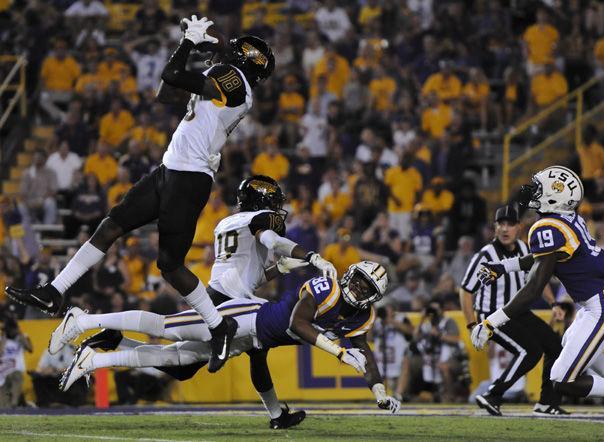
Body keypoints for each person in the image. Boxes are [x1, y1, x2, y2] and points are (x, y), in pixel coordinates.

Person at [7, 17, 277, 374]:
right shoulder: (223, 79)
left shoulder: (235, 81)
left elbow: (173, 76)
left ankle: (218, 325)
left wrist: (189, 46)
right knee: (111, 225)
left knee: (170, 266)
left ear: (243, 59)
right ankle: (55, 290)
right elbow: (165, 92)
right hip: (170, 168)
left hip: (191, 176)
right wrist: (192, 49)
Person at [50, 175, 335, 428]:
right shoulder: (259, 220)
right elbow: (272, 241)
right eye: (274, 201)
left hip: (228, 297)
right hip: (227, 304)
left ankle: (276, 415)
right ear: (263, 200)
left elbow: (247, 273)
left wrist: (278, 269)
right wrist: (309, 255)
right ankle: (87, 324)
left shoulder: (228, 222)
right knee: (170, 335)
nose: (277, 207)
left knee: (214, 360)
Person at [57, 261, 399, 424]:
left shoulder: (361, 317)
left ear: (374, 297)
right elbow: (299, 322)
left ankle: (95, 359)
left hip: (254, 338)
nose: (357, 290)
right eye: (358, 281)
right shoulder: (328, 288)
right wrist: (338, 351)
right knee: (167, 327)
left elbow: (365, 352)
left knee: (176, 362)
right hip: (241, 318)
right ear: (348, 275)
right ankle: (84, 320)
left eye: (367, 289)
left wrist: (379, 391)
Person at [472, 165, 604, 434]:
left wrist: (493, 321)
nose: (532, 193)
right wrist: (504, 267)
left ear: (554, 198)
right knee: (572, 348)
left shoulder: (548, 226)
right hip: (601, 300)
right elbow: (539, 259)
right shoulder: (564, 219)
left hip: (603, 303)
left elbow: (535, 286)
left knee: (562, 379)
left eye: (539, 189)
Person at [460, 205, 566, 416]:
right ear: (495, 227)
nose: (505, 229)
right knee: (530, 351)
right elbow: (465, 291)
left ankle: (547, 402)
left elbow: (539, 278)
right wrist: (473, 324)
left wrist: (553, 303)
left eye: (510, 224)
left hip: (518, 312)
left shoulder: (526, 249)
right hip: (492, 316)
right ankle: (493, 395)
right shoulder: (485, 255)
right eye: (501, 224)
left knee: (555, 345)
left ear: (519, 227)